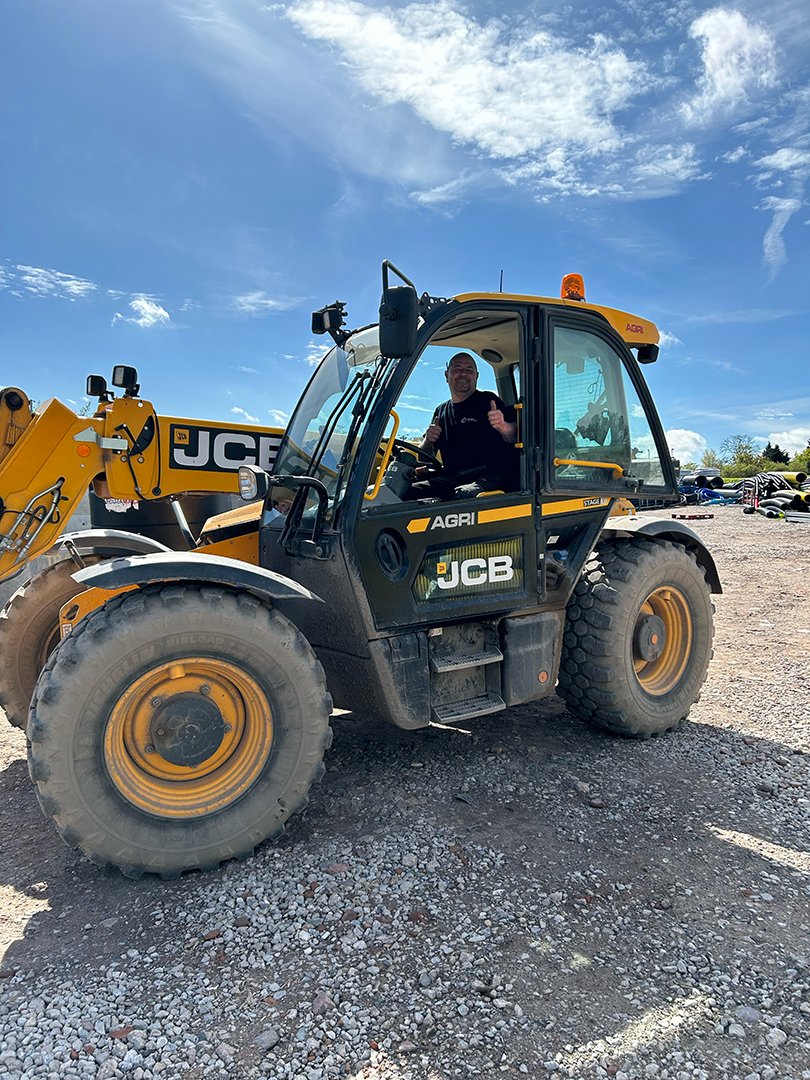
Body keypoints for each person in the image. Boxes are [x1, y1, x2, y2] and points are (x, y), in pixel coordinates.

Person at [414, 352, 519, 498]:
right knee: (411, 490)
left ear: (476, 376)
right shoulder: (441, 411)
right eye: (457, 369)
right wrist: (428, 440)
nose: (463, 374)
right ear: (447, 375)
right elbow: (423, 458)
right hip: (452, 478)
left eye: (469, 369)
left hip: (488, 477)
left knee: (461, 495)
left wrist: (503, 426)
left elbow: (515, 437)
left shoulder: (489, 401)